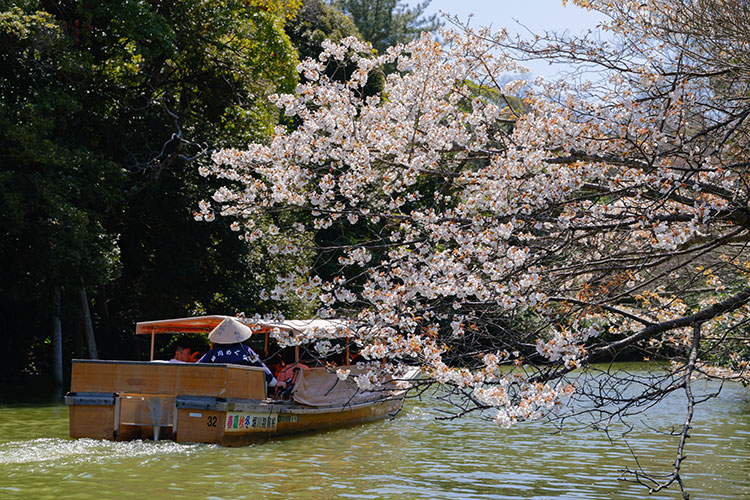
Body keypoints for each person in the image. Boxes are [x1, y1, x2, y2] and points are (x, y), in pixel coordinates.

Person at [197, 318, 284, 389]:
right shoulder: (246, 351)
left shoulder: (213, 353)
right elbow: (261, 367)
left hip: (217, 391)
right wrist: (273, 381)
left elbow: (196, 367)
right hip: (243, 391)